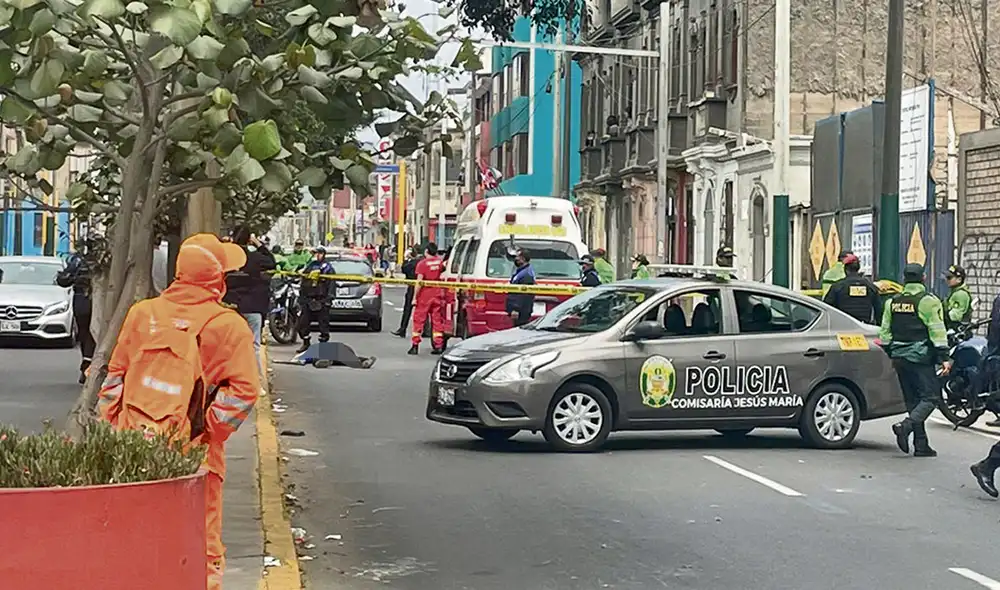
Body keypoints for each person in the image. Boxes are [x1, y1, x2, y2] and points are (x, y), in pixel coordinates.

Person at [96, 233, 260, 590]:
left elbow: (114, 380)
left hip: (133, 449)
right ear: (218, 279)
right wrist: (206, 431)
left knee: (135, 537)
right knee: (200, 543)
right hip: (195, 455)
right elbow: (246, 392)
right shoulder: (228, 327)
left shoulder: (143, 314)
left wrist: (116, 436)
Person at [878, 263, 951, 457]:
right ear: (923, 278)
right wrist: (944, 357)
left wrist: (891, 352)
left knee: (912, 400)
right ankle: (906, 426)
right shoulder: (928, 301)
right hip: (921, 357)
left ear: (904, 278)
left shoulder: (892, 302)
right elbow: (937, 330)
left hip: (899, 358)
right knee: (931, 398)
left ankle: (921, 444)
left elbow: (884, 333)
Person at [223, 226, 276, 386]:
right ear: (249, 240)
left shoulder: (226, 257)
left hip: (229, 307)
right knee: (254, 346)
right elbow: (271, 262)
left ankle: (229, 379)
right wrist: (258, 244)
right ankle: (256, 382)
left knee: (229, 344)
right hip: (252, 307)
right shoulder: (255, 258)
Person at [56, 250, 94, 384]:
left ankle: (87, 364)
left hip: (82, 300)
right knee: (90, 333)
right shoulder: (82, 261)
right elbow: (64, 280)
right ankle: (88, 365)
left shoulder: (78, 260)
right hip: (87, 300)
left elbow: (63, 280)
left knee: (85, 333)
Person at [296, 246, 335, 353]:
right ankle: (306, 343)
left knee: (323, 324)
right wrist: (302, 297)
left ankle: (323, 346)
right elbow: (303, 281)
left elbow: (331, 283)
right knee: (303, 323)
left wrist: (329, 299)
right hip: (308, 299)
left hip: (321, 299)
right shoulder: (310, 266)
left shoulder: (327, 268)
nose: (317, 256)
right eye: (315, 253)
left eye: (319, 253)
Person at [822, 253, 882, 324]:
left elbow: (827, 307)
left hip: (842, 326)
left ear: (845, 270)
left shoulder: (838, 286)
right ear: (858, 269)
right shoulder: (870, 286)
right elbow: (879, 310)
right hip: (864, 327)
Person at [409, 242, 446, 355]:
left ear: (426, 251)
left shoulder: (422, 264)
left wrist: (415, 298)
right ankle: (438, 346)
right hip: (437, 293)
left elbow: (419, 282)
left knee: (419, 320)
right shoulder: (440, 263)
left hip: (425, 295)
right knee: (436, 321)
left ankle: (415, 346)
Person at [392, 246, 421, 338]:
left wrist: (406, 259)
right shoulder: (419, 262)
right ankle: (403, 329)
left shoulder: (414, 263)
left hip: (413, 287)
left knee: (408, 309)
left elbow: (404, 269)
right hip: (418, 287)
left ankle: (403, 329)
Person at [506, 249, 536, 327]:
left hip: (522, 311)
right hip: (520, 310)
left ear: (523, 259)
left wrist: (516, 309)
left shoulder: (526, 274)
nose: (515, 259)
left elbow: (523, 294)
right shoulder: (521, 272)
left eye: (517, 257)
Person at [943, 264, 973, 330]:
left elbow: (955, 316)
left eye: (949, 278)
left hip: (958, 330)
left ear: (959, 279)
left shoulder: (961, 294)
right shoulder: (954, 291)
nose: (946, 280)